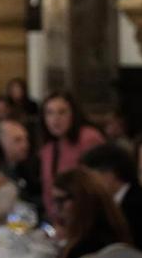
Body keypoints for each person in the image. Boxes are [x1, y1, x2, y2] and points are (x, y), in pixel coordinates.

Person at [40, 91, 106, 220]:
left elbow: (98, 186)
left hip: (88, 217)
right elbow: (48, 191)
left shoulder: (89, 138)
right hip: (59, 220)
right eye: (49, 113)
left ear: (73, 115)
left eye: (62, 112)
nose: (55, 119)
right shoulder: (47, 149)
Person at [51, 168, 133, 258]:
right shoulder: (114, 232)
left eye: (60, 201)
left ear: (82, 200)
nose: (55, 209)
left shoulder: (84, 247)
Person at [0, 118, 43, 211]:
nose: (25, 145)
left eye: (26, 139)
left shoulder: (30, 166)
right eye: (17, 140)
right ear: (0, 143)